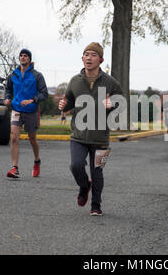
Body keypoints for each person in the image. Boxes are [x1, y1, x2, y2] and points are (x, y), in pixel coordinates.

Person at [58, 42, 123, 216]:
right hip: (78, 135)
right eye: (86, 54)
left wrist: (113, 104)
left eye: (93, 55)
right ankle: (84, 186)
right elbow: (69, 102)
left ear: (100, 60)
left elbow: (121, 102)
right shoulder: (75, 81)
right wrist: (64, 105)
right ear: (82, 58)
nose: (89, 57)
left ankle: (96, 205)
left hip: (101, 137)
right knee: (75, 165)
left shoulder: (111, 83)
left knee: (98, 172)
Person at [4, 49, 48, 178]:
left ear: (30, 59)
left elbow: (44, 93)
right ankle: (14, 168)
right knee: (13, 138)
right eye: (21, 56)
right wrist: (7, 98)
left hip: (31, 111)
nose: (23, 58)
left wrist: (32, 100)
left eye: (25, 56)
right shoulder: (13, 75)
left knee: (32, 139)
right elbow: (8, 89)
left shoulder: (37, 75)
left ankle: (37, 161)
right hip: (16, 109)